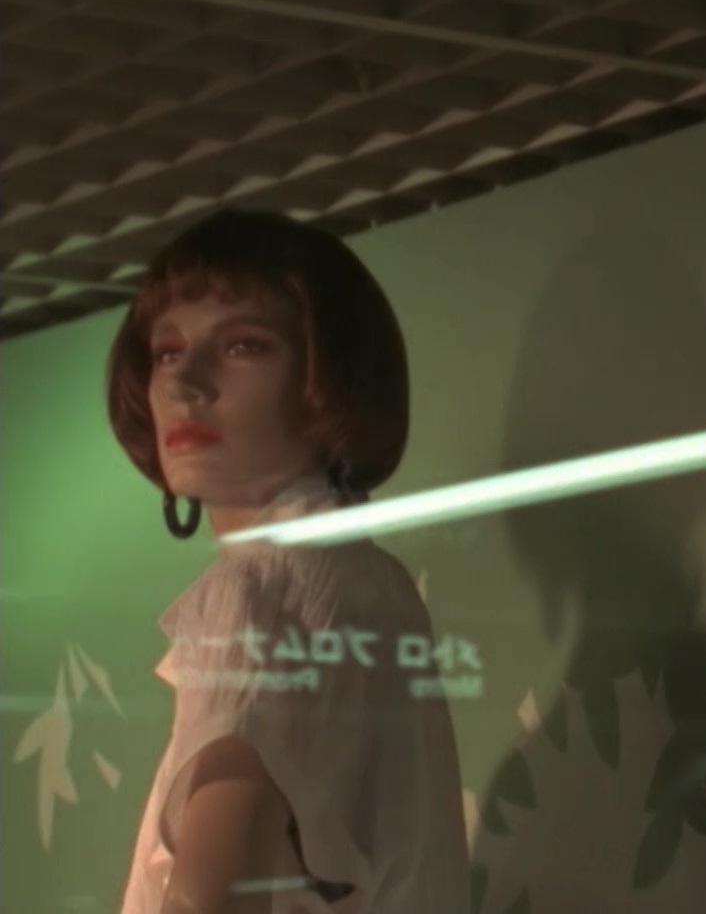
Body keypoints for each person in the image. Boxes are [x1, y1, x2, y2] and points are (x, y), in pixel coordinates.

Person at [108, 210, 469, 912]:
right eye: (167, 352)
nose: (185, 385)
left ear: (329, 377)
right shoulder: (367, 582)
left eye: (243, 346)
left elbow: (211, 894)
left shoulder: (265, 588)